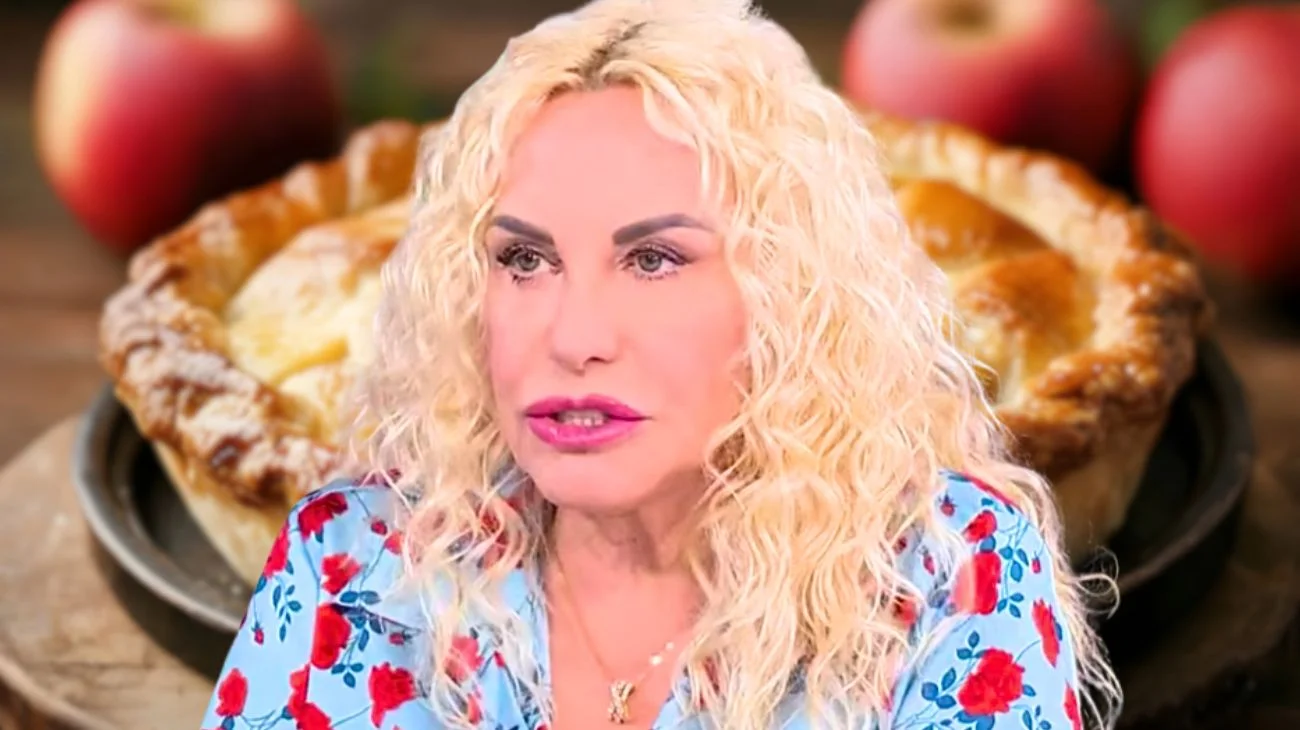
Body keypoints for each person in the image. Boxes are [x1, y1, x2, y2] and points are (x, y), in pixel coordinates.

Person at [198, 0, 1122, 728]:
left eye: (653, 259)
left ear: (788, 294)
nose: (575, 336)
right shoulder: (351, 570)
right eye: (524, 259)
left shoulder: (953, 577)